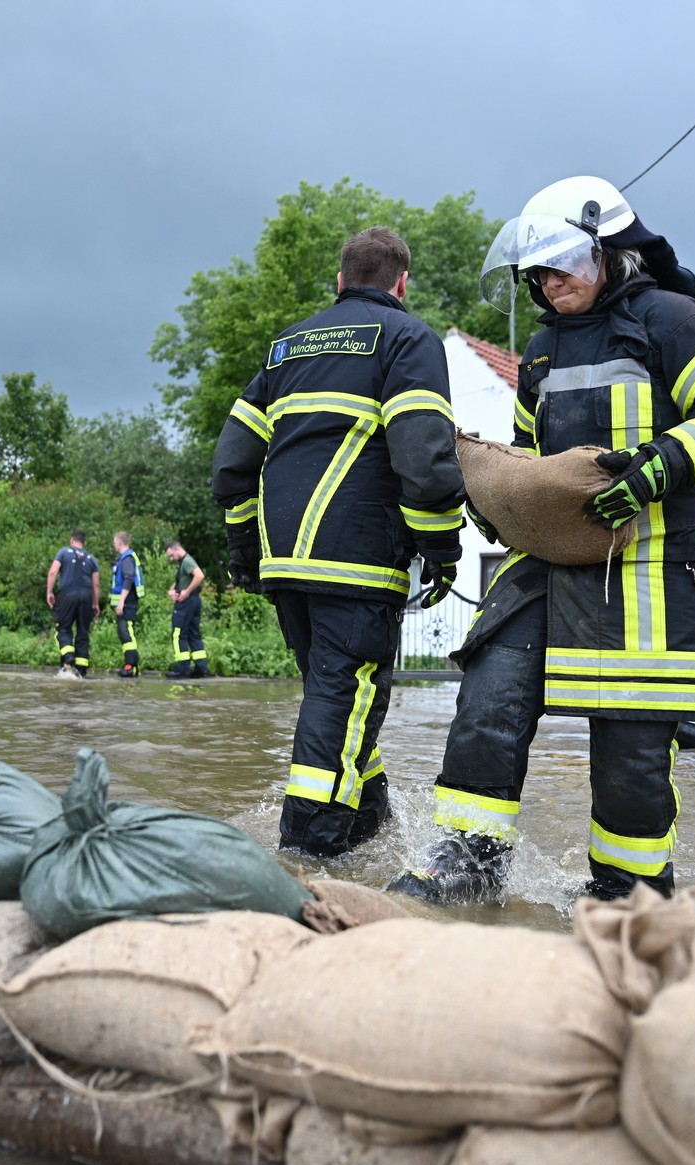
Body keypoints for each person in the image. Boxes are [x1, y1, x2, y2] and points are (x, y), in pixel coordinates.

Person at [389, 177, 695, 904]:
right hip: (550, 563)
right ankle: (467, 867)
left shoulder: (671, 320)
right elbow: (530, 454)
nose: (545, 279)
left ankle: (628, 897)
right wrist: (505, 501)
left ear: (610, 250)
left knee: (630, 752)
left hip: (649, 567)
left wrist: (659, 468)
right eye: (535, 270)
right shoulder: (539, 352)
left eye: (559, 262)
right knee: (489, 698)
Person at [213, 226, 464, 858]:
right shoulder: (409, 339)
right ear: (402, 283)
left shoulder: (287, 348)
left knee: (338, 698)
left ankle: (370, 831)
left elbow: (231, 464)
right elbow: (425, 456)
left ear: (339, 281)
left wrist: (246, 547)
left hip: (284, 563)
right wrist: (441, 548)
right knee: (340, 701)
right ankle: (308, 859)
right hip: (356, 561)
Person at [46, 530, 101, 678]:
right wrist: (95, 603)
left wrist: (50, 592)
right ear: (84, 543)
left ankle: (68, 657)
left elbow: (53, 572)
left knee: (63, 627)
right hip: (86, 596)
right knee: (83, 631)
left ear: (72, 540)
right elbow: (96, 584)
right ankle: (82, 669)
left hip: (67, 595)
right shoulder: (91, 559)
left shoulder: (63, 552)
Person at [162, 539, 207, 678]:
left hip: (187, 602)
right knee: (194, 634)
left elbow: (199, 576)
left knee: (178, 634)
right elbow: (180, 580)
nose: (171, 559)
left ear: (177, 549)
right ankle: (201, 668)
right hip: (194, 601)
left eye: (171, 555)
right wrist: (172, 591)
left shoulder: (187, 561)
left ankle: (182, 669)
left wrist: (186, 592)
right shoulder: (184, 563)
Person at [110, 531, 145, 678]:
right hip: (126, 601)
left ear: (119, 542)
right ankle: (131, 665)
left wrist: (121, 601)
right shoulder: (125, 558)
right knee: (124, 632)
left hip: (127, 602)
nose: (113, 544)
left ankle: (131, 665)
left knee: (126, 632)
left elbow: (128, 579)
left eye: (114, 541)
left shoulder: (127, 559)